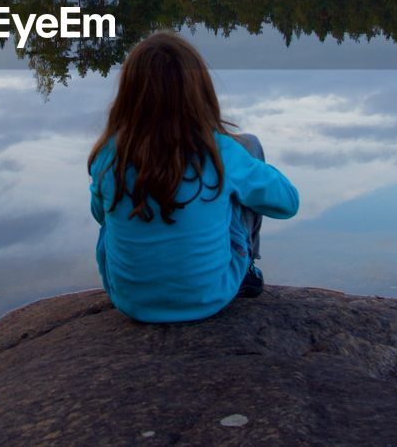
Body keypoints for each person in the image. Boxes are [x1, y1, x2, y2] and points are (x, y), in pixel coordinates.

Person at [87, 31, 300, 323]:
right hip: (210, 297)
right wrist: (248, 167)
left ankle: (143, 278)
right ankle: (247, 270)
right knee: (249, 144)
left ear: (129, 96)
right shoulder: (222, 152)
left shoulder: (108, 155)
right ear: (199, 93)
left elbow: (100, 216)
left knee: (110, 221)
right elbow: (288, 203)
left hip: (130, 302)